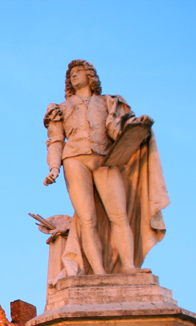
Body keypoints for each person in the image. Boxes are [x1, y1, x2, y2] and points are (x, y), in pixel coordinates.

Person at [43, 60, 168, 282]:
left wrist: (138, 126)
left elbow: (116, 131)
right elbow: (55, 141)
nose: (74, 76)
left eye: (78, 72)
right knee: (87, 219)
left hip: (106, 159)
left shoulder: (108, 103)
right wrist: (54, 168)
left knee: (119, 215)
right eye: (71, 74)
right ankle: (99, 272)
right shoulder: (60, 108)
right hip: (74, 159)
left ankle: (128, 266)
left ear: (90, 75)